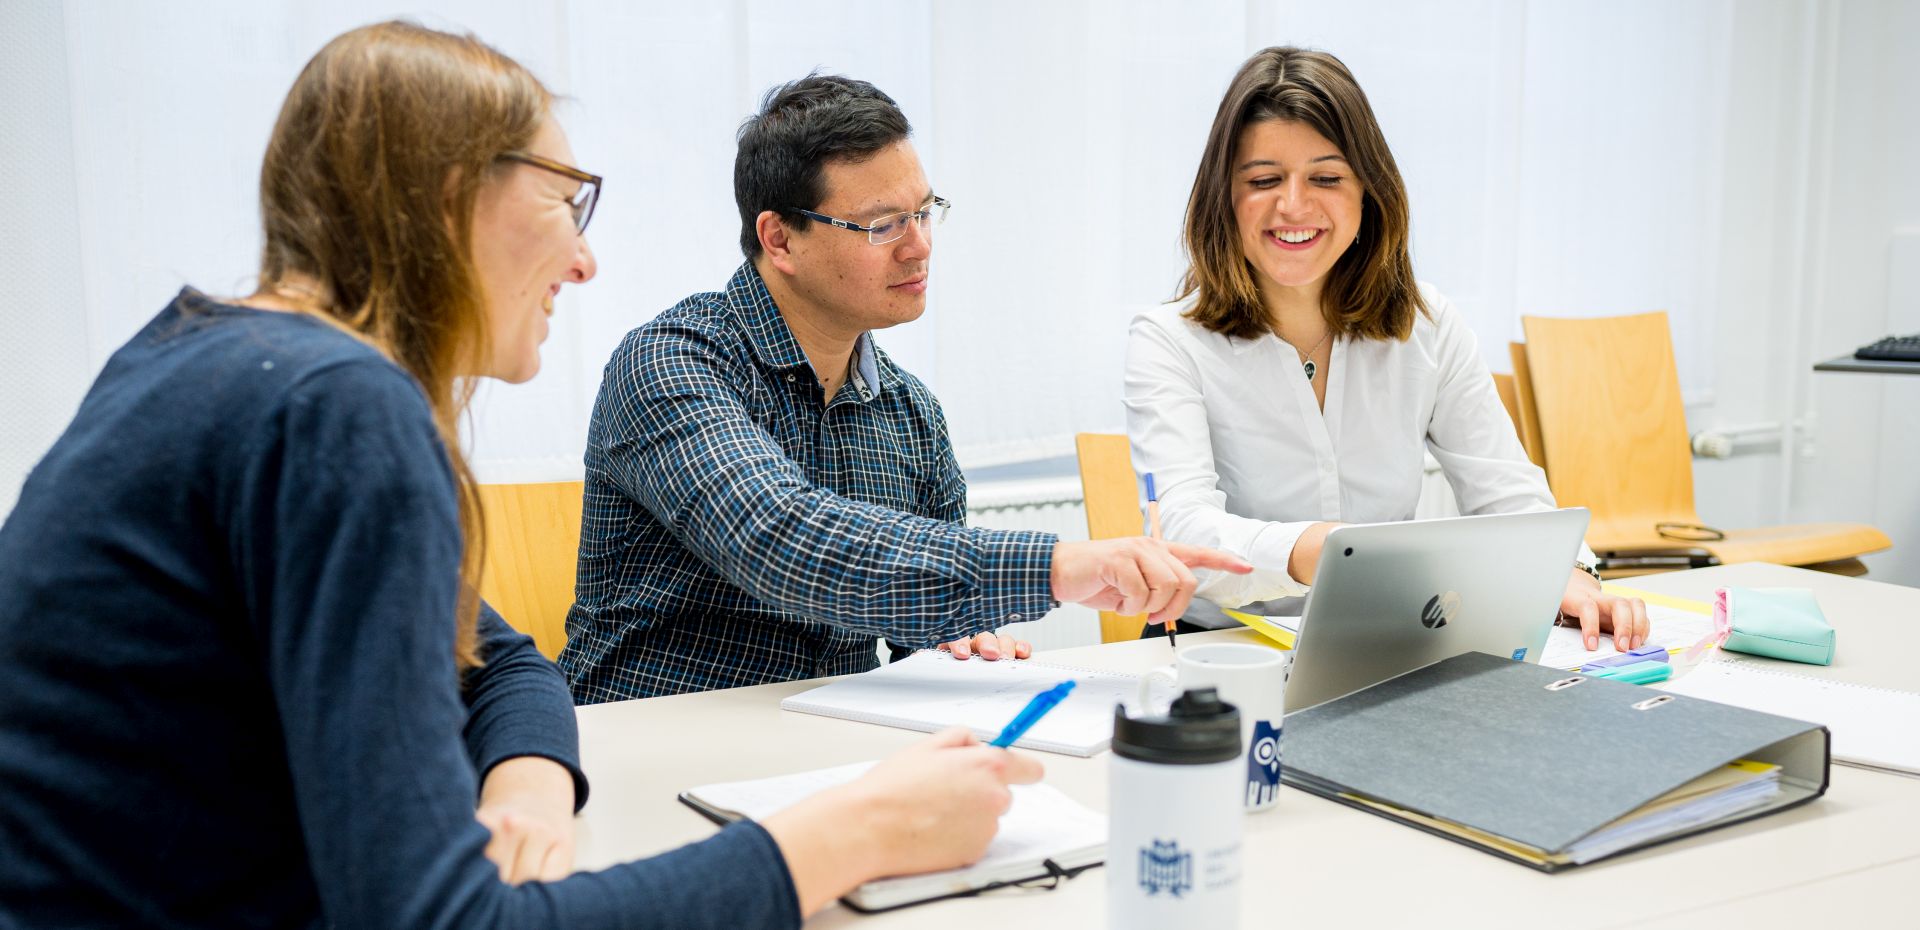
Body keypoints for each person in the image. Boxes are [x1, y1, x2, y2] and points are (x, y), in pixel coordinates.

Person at [0, 22, 1044, 928]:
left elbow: (500, 658)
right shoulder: (336, 410)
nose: (583, 261)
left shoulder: (213, 361)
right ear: (453, 200)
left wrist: (531, 779)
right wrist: (846, 837)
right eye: (564, 200)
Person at [559, 74, 1249, 703]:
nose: (918, 245)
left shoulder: (911, 412)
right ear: (780, 239)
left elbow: (917, 623)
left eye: (924, 212)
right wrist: (1056, 566)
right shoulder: (672, 361)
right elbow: (777, 537)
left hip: (827, 742)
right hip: (649, 733)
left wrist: (963, 644)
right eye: (882, 224)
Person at [1125, 46, 1649, 651]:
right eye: (1264, 180)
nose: (1293, 205)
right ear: (1224, 196)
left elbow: (1505, 491)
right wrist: (1317, 549)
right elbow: (1184, 529)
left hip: (1386, 644)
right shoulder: (1168, 339)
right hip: (1219, 652)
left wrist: (1571, 574)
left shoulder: (1427, 323)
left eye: (1326, 177)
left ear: (1367, 192)